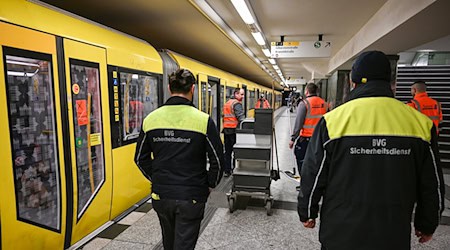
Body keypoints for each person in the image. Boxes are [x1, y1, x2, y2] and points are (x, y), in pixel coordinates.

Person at [297, 51, 445, 249]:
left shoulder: (333, 121)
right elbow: (431, 182)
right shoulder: (420, 124)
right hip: (392, 233)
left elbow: (313, 172)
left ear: (353, 82)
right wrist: (427, 223)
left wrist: (307, 211)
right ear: (390, 82)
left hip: (340, 232)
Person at [134, 69, 224, 250]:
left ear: (169, 88)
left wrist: (158, 178)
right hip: (191, 196)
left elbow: (139, 158)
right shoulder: (203, 120)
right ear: (192, 89)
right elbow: (218, 160)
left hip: (161, 196)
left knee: (169, 241)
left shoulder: (150, 119)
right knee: (184, 244)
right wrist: (209, 184)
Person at [288, 83, 326, 187]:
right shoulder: (324, 103)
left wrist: (293, 139)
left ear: (306, 91)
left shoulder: (304, 103)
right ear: (316, 91)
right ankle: (315, 183)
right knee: (316, 162)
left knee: (301, 159)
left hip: (306, 139)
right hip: (320, 139)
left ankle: (305, 183)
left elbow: (299, 123)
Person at [222, 87, 245, 177]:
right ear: (236, 94)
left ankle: (227, 170)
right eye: (241, 94)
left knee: (227, 152)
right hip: (234, 131)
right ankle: (236, 169)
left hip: (226, 130)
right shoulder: (236, 104)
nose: (243, 96)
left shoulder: (227, 103)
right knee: (236, 151)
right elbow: (241, 118)